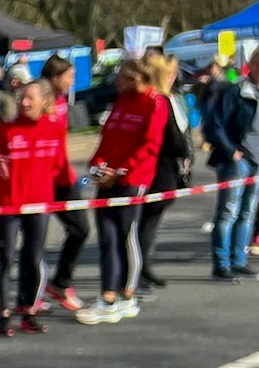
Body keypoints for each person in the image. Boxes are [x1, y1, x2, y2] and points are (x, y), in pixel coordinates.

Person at [74, 58, 167, 325]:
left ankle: (126, 293)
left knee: (126, 236)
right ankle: (108, 295)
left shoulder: (154, 103)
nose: (118, 82)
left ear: (137, 78)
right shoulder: (121, 102)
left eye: (123, 77)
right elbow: (108, 137)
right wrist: (97, 166)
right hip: (107, 179)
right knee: (107, 237)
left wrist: (121, 171)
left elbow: (150, 145)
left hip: (132, 179)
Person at [0, 79, 71, 337]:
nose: (24, 103)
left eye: (30, 98)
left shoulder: (55, 128)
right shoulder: (6, 130)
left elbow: (58, 165)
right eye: (22, 97)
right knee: (5, 258)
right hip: (8, 203)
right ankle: (3, 315)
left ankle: (28, 311)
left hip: (39, 202)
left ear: (45, 101)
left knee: (33, 257)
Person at [134, 54, 192, 293]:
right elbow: (172, 137)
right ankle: (140, 269)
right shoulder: (159, 101)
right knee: (147, 223)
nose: (173, 77)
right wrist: (183, 150)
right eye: (169, 73)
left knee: (150, 223)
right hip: (159, 169)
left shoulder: (169, 98)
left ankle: (144, 266)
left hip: (167, 169)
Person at [201, 46, 259, 282]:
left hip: (257, 160)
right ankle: (221, 263)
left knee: (248, 211)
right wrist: (231, 151)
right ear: (253, 66)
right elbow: (214, 125)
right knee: (228, 211)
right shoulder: (234, 92)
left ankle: (239, 260)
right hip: (238, 159)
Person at [40, 54, 90, 311]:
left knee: (80, 229)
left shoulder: (60, 103)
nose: (73, 81)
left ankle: (59, 284)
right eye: (69, 77)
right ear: (55, 78)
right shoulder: (39, 102)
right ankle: (33, 295)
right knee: (35, 239)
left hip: (63, 179)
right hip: (41, 181)